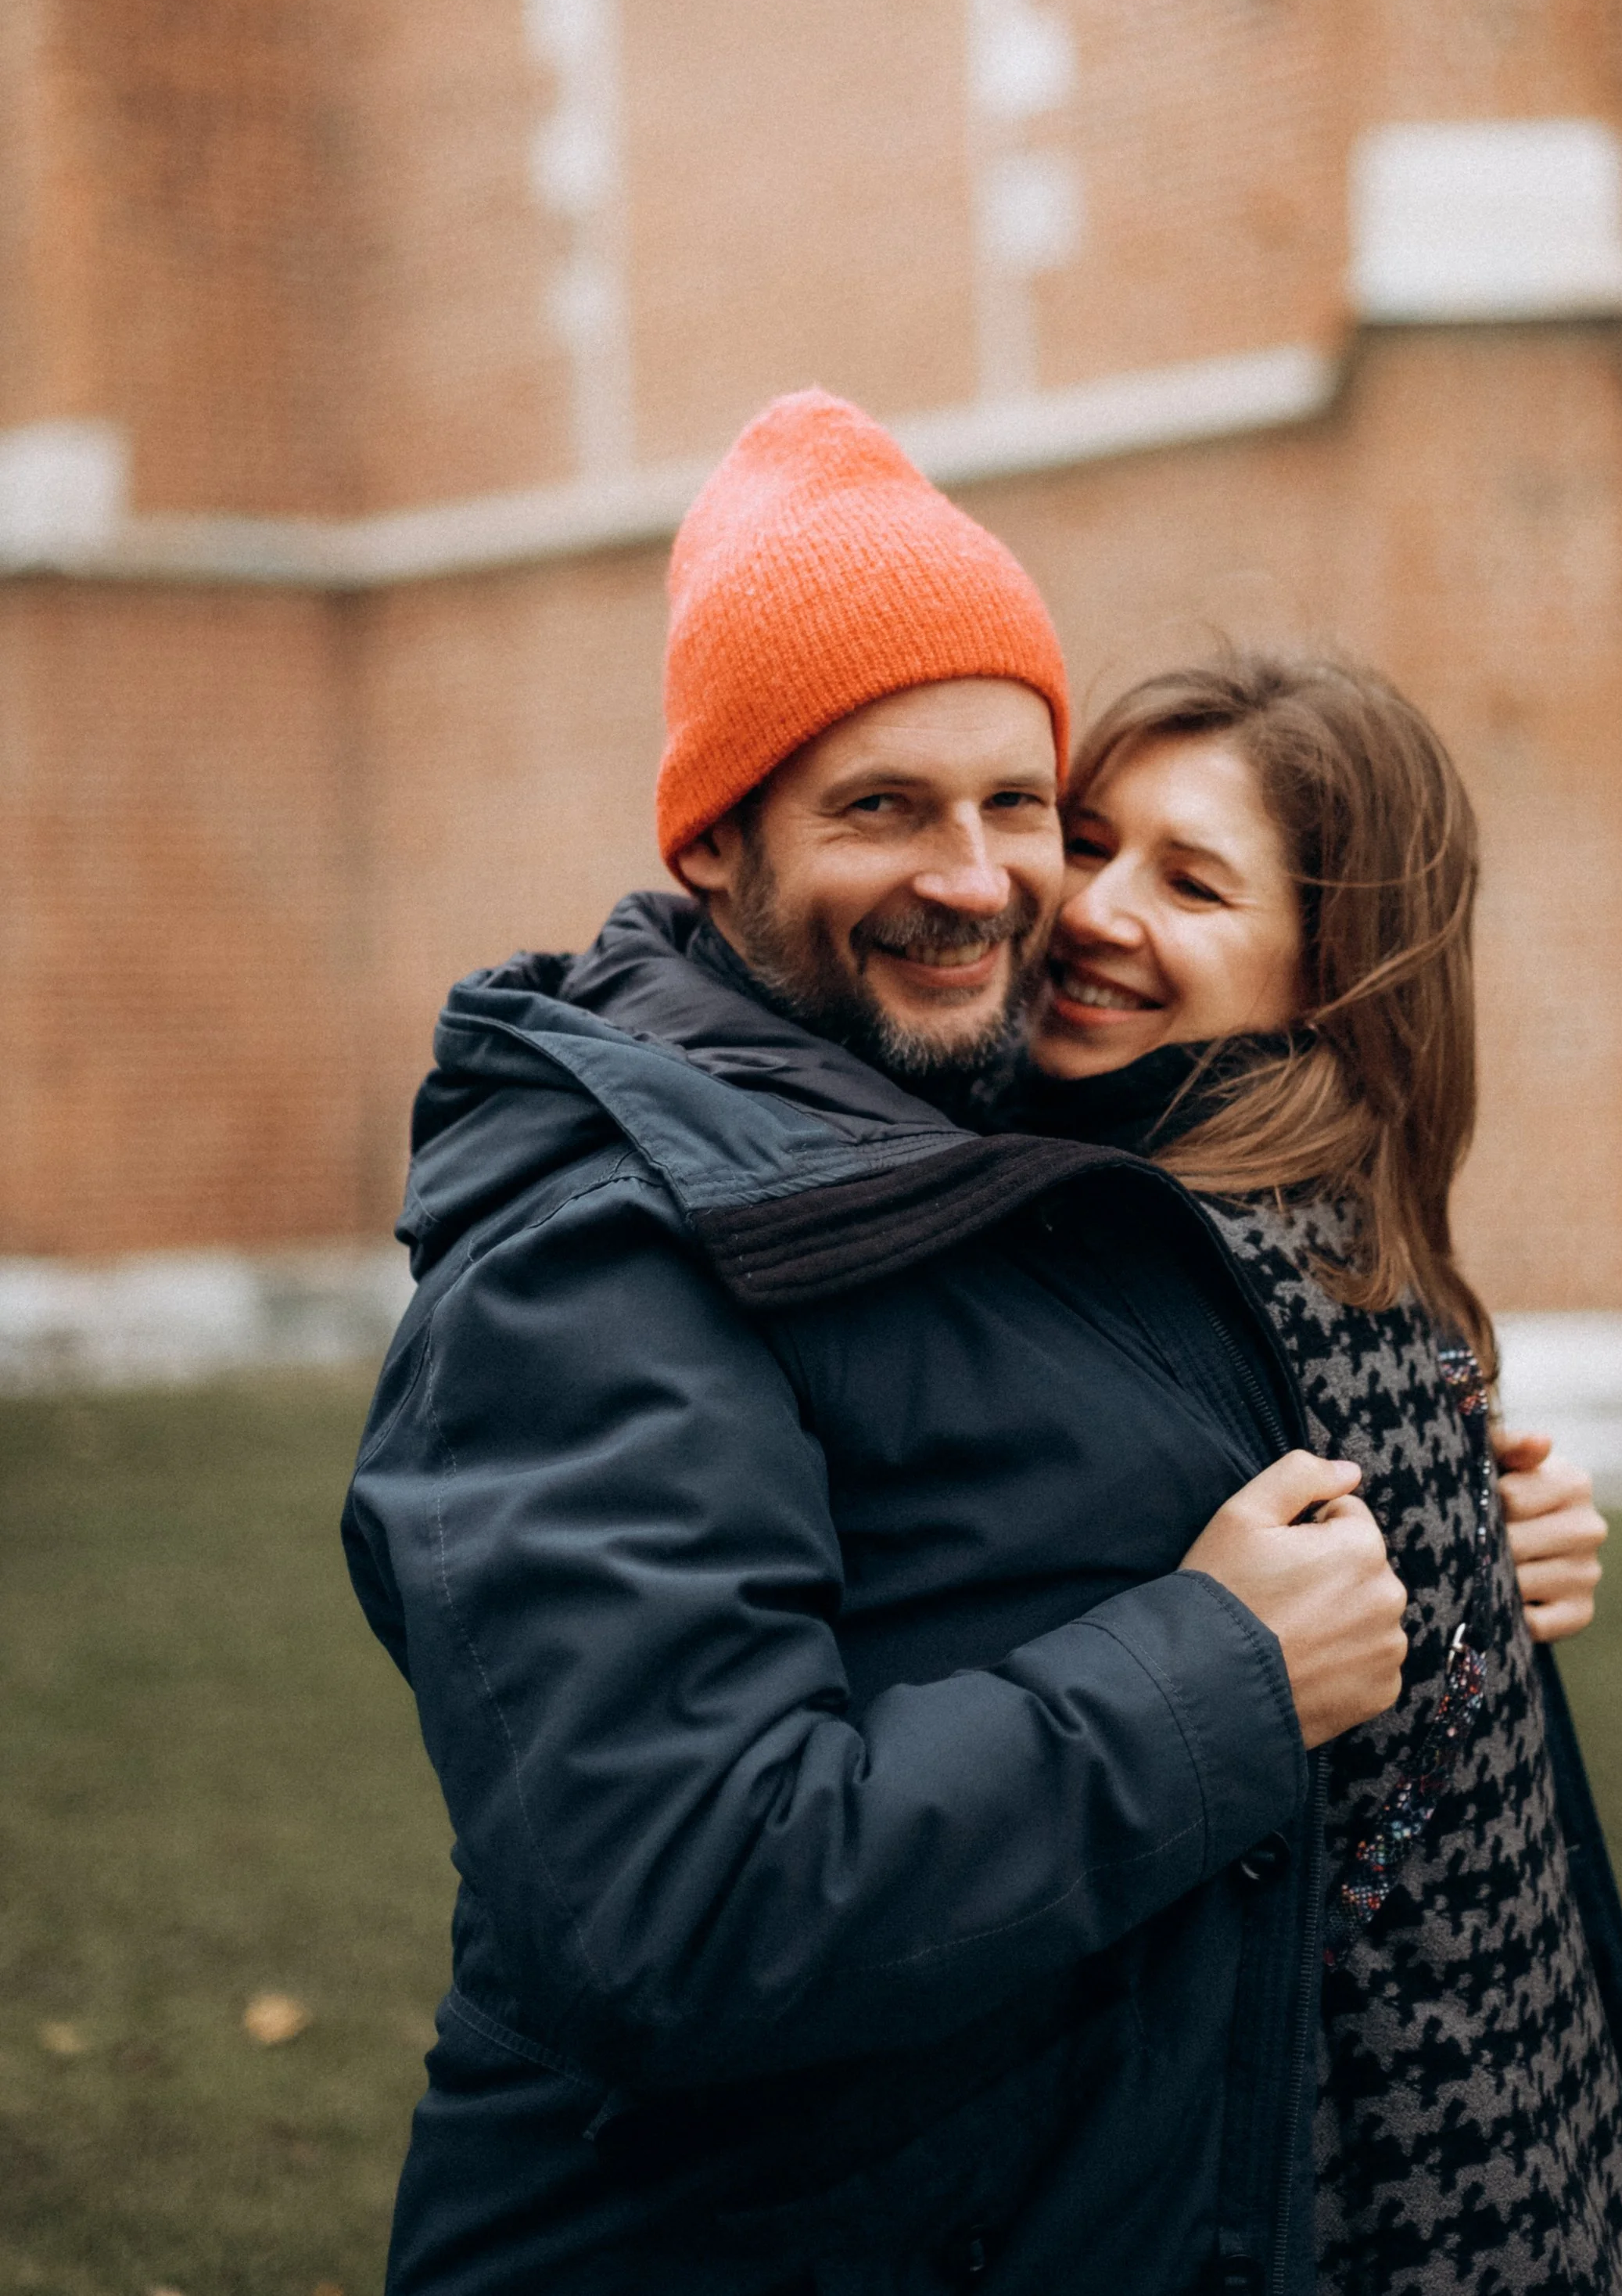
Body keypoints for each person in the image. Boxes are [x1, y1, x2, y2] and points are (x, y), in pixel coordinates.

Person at [344, 390, 1414, 2296]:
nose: (979, 876)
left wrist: (1455, 1517)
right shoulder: (594, 1260)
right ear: (713, 847)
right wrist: (1226, 1669)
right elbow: (682, 1902)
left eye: (1019, 804)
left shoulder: (925, 1144)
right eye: (877, 807)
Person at [1017, 649, 1622, 2296]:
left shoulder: (1189, 1271)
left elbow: (1388, 1802)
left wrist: (1467, 1611)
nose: (1094, 909)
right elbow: (1429, 1740)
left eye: (1190, 883)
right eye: (1090, 840)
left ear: (1325, 975)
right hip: (1511, 2151)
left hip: (1367, 2181)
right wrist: (1486, 1589)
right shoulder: (1332, 1228)